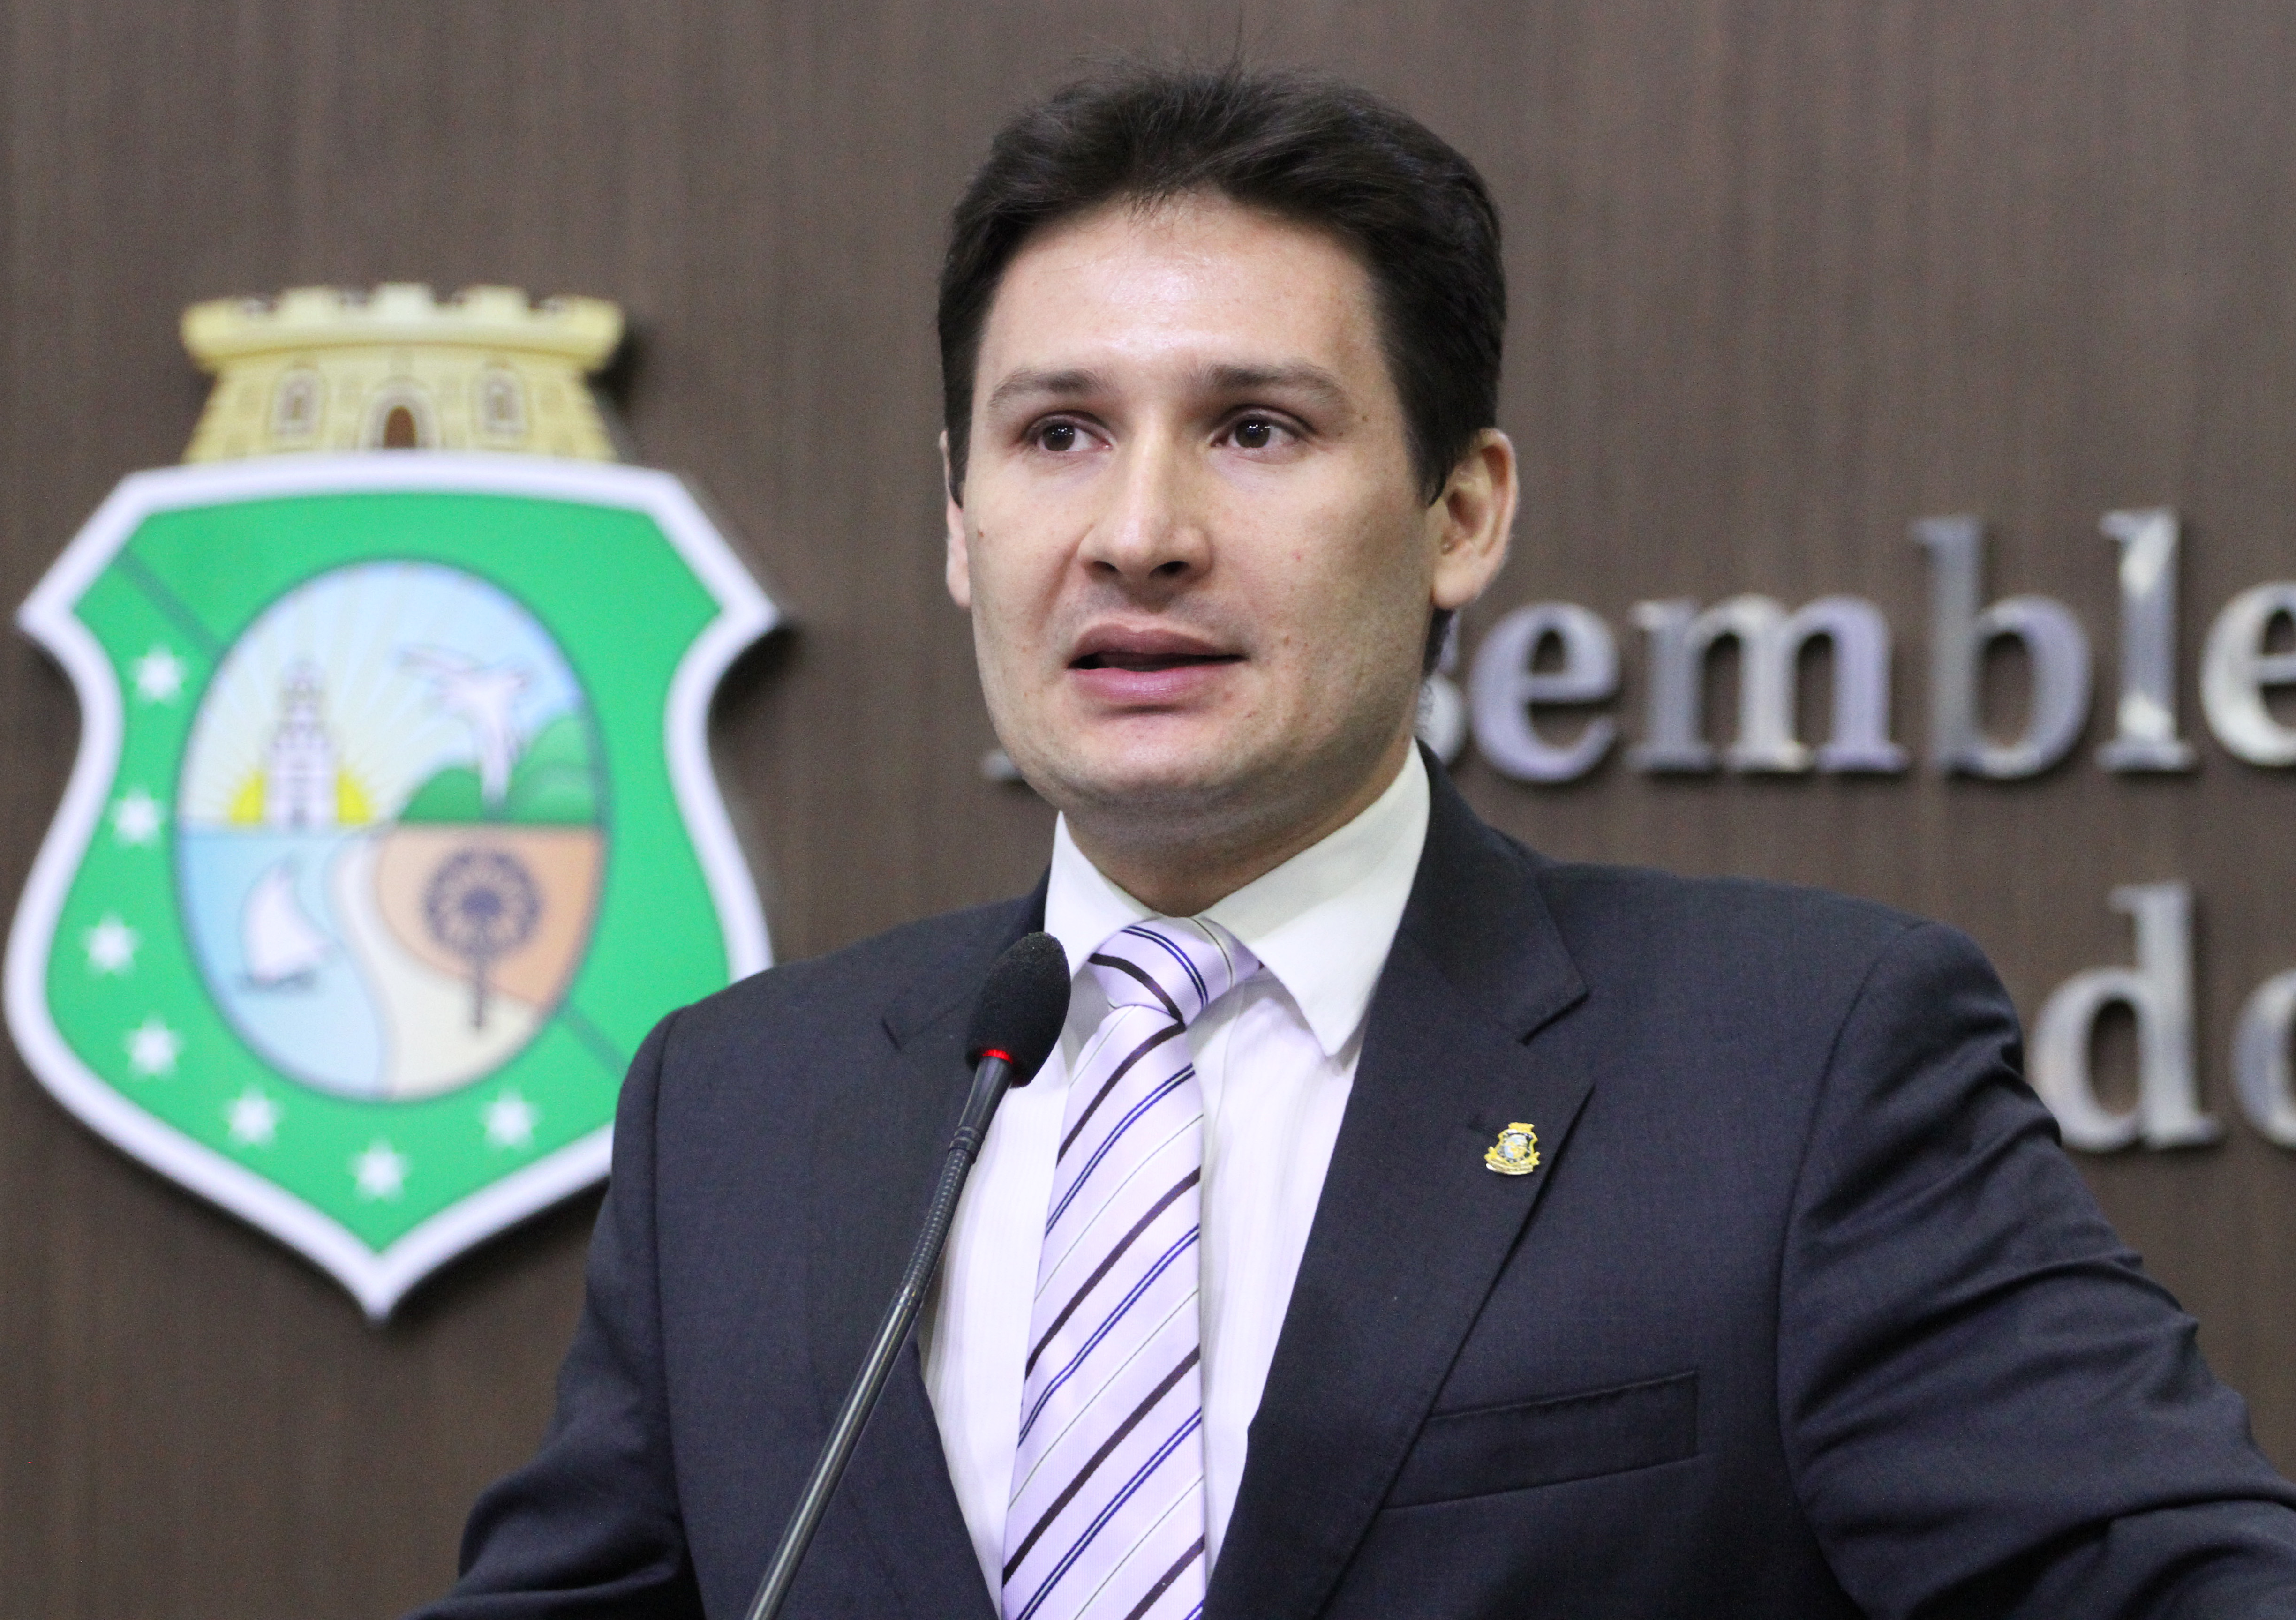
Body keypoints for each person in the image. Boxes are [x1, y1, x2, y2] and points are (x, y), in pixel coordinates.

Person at [414, 64, 2296, 1619]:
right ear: (959, 523)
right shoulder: (742, 1113)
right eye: (1058, 434)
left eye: (1253, 428)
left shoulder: (1798, 1066)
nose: (1137, 533)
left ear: (1461, 513)